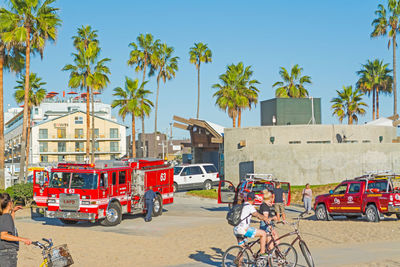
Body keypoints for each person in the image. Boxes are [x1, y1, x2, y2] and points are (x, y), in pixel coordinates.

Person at [233, 192, 269, 259]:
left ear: (246, 198)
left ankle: (239, 263)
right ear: (254, 199)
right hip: (244, 230)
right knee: (263, 233)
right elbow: (257, 215)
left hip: (236, 229)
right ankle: (262, 252)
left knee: (242, 248)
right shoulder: (250, 207)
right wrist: (265, 218)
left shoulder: (242, 205)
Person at [0, 193, 32, 267]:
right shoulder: (6, 217)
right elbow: (3, 235)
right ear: (9, 203)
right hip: (7, 254)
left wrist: (13, 212)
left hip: (4, 253)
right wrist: (23, 239)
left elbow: (8, 225)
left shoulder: (3, 216)